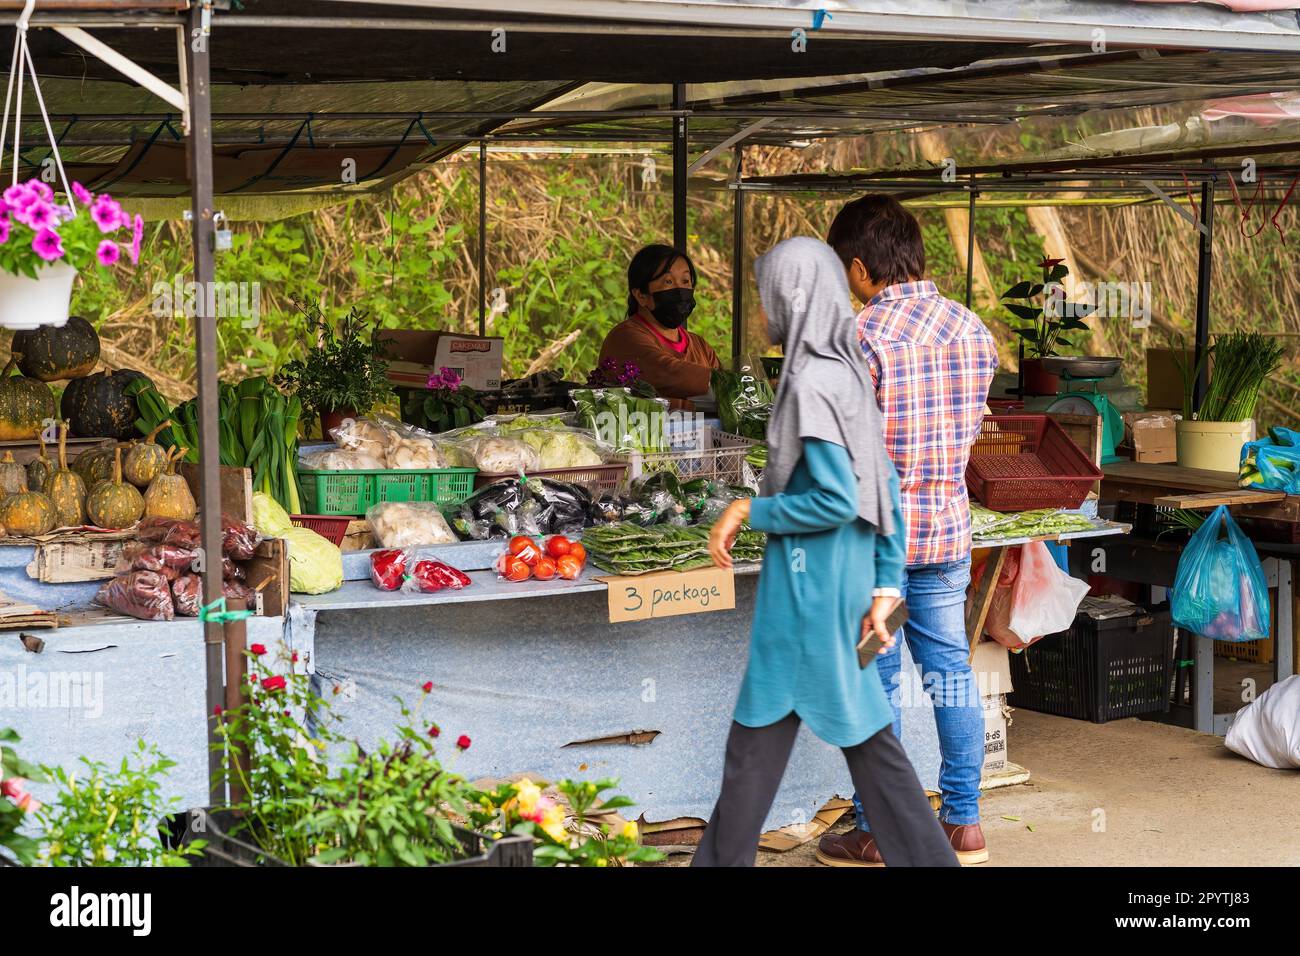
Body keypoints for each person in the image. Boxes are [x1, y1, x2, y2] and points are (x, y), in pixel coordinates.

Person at [690, 237, 958, 869]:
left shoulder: (810, 379)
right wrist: (887, 585)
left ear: (792, 296)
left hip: (805, 599)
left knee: (763, 752)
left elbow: (838, 498)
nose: (763, 312)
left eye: (768, 296)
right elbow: (883, 482)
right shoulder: (848, 370)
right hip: (842, 591)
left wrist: (746, 509)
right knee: (860, 751)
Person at [817, 194, 999, 867]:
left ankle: (879, 830)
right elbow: (972, 431)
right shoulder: (972, 329)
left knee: (877, 684)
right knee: (952, 673)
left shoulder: (859, 337)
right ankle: (964, 823)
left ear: (861, 269)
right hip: (946, 534)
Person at [598, 244, 721, 411]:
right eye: (668, 282)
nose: (680, 290)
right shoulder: (625, 338)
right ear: (641, 295)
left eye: (685, 281)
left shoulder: (700, 346)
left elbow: (729, 395)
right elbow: (668, 374)